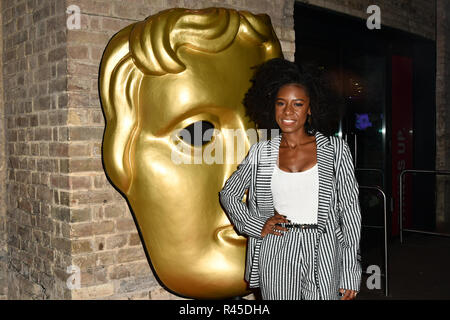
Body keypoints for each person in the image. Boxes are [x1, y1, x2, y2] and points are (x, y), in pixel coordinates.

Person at [219, 58, 362, 300]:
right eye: (281, 103)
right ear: (271, 107)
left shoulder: (335, 150)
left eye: (297, 104)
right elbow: (229, 193)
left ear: (310, 108)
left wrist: (350, 269)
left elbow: (349, 212)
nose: (288, 111)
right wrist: (256, 224)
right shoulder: (261, 152)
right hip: (278, 247)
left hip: (323, 246)